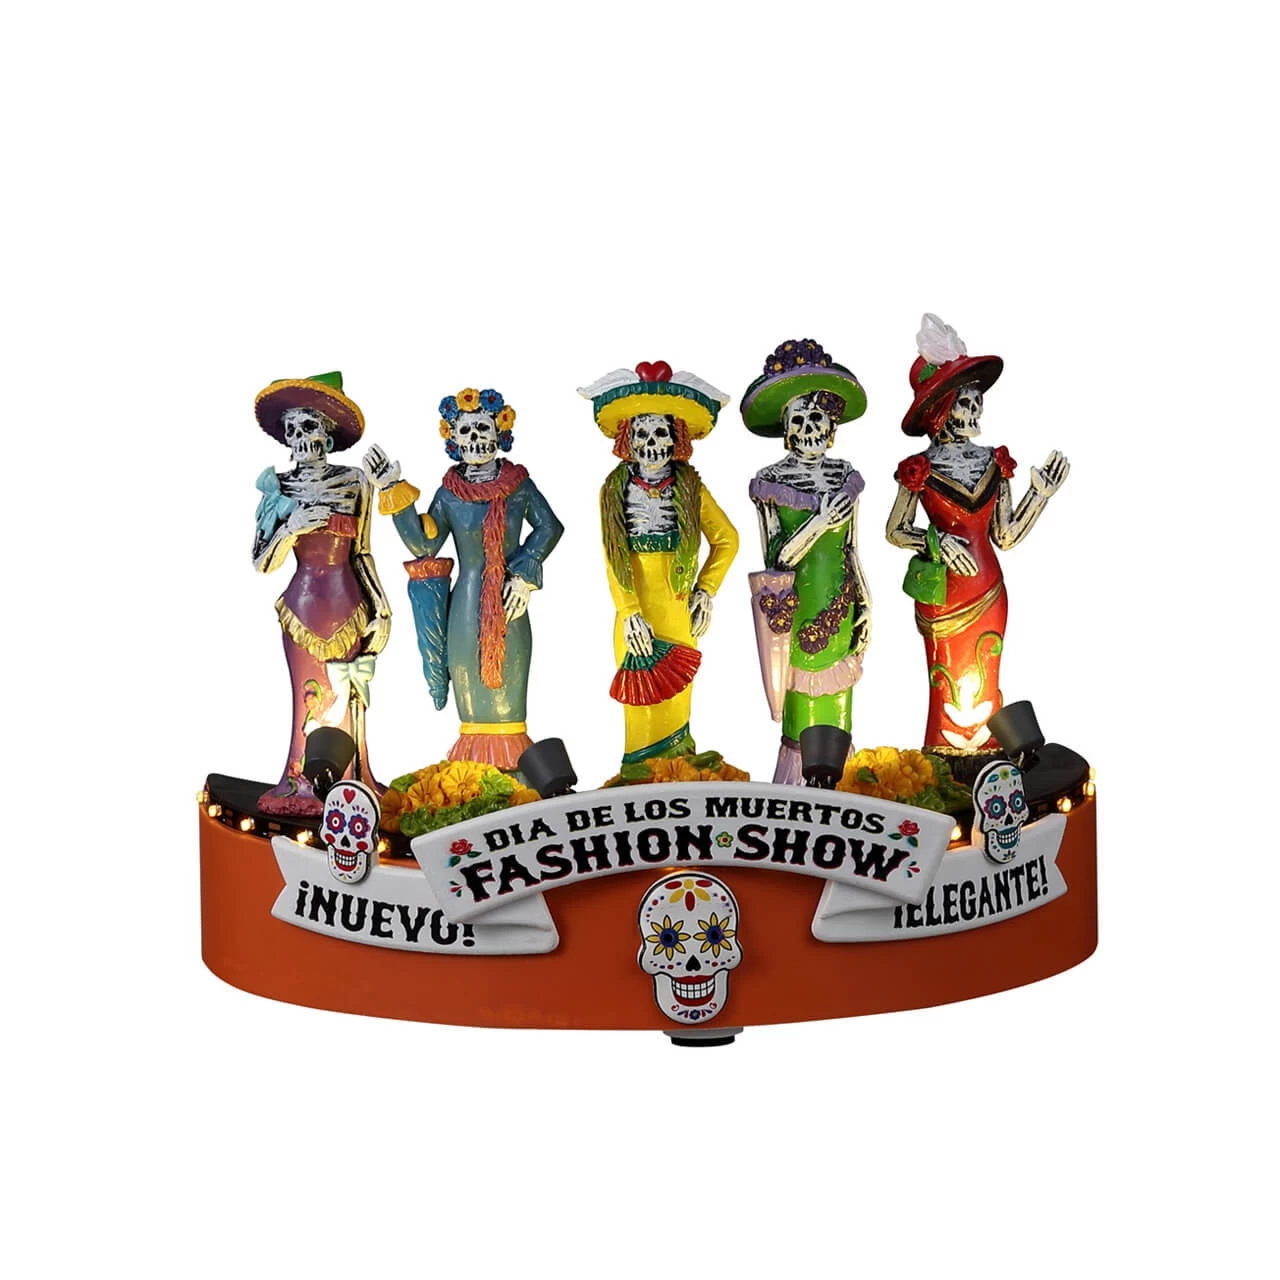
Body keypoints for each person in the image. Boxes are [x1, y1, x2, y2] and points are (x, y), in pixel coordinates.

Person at [886, 314, 1069, 753]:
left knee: (986, 674)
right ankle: (943, 758)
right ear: (942, 411)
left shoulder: (993, 462)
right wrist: (937, 541)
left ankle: (988, 759)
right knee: (944, 680)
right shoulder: (920, 469)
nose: (975, 411)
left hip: (988, 588)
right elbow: (895, 530)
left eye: (977, 402)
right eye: (965, 403)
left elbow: (1005, 535)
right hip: (944, 594)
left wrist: (1039, 496)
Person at [364, 386, 562, 769]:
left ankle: (512, 768)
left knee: (508, 688)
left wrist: (524, 576)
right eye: (466, 431)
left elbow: (549, 527)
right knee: (470, 687)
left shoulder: (519, 486)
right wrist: (391, 489)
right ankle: (474, 772)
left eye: (482, 428)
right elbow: (424, 544)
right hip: (467, 607)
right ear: (453, 439)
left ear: (499, 432)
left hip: (508, 602)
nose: (475, 438)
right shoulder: (449, 495)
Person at [579, 361, 739, 766]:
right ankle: (637, 770)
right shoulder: (614, 491)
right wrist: (629, 611)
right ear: (628, 440)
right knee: (639, 698)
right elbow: (613, 555)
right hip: (634, 613)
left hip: (678, 609)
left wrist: (707, 589)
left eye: (660, 433)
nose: (651, 444)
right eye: (642, 434)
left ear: (676, 438)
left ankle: (677, 766)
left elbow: (727, 539)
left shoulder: (691, 488)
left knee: (676, 694)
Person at [252, 372, 390, 814]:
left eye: (308, 426)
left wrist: (383, 609)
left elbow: (362, 552)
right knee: (307, 699)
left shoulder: (356, 482)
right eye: (291, 429)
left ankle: (351, 780)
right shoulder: (278, 490)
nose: (300, 438)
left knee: (348, 698)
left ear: (328, 434)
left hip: (350, 604)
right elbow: (261, 561)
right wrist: (290, 528)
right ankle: (301, 783)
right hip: (301, 609)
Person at [740, 339, 871, 783]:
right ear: (787, 429)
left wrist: (866, 602)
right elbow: (776, 560)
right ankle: (798, 787)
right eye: (798, 418)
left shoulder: (844, 477)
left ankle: (844, 784)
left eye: (817, 417)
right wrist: (818, 523)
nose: (809, 427)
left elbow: (852, 546)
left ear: (831, 425)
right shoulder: (770, 483)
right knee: (802, 701)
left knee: (839, 698)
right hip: (796, 610)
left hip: (840, 600)